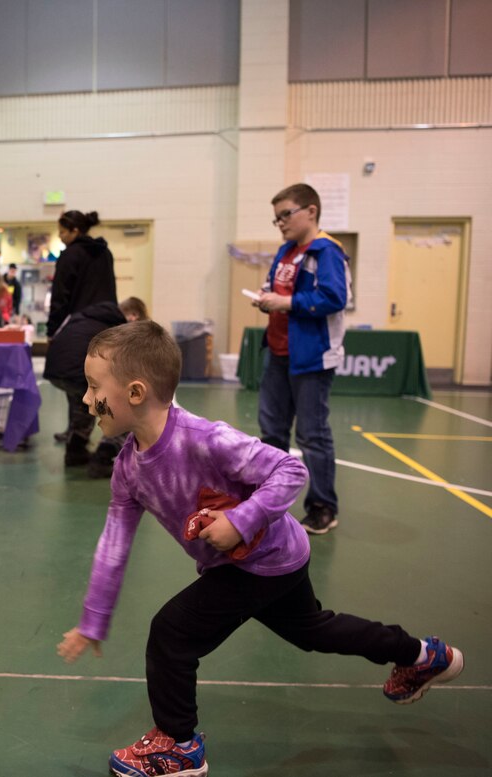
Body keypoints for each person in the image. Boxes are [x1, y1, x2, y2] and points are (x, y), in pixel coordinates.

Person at [57, 321, 461, 777]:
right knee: (315, 631)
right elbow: (114, 544)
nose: (88, 400)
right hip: (271, 561)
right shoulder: (128, 468)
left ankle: (179, 746)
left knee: (172, 633)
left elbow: (289, 470)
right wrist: (93, 619)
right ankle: (423, 655)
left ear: (135, 392)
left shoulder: (204, 438)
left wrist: (240, 520)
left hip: (262, 559)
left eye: (94, 387)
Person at [254, 183, 351, 535]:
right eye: (276, 217)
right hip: (279, 354)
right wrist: (267, 299)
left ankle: (323, 507)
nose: (280, 222)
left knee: (312, 435)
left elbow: (334, 296)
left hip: (311, 358)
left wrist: (286, 303)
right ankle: (271, 502)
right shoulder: (285, 251)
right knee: (272, 433)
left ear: (310, 211)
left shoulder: (327, 252)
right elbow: (277, 289)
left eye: (286, 214)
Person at [44, 297, 149, 476]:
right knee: (128, 402)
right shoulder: (118, 327)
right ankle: (104, 456)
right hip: (77, 371)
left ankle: (75, 450)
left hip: (56, 370)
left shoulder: (88, 314)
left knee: (83, 402)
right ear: (133, 316)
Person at [46, 210, 116, 336]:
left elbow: (60, 296)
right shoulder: (105, 253)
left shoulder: (69, 256)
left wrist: (52, 330)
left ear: (75, 231)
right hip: (107, 324)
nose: (59, 236)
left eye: (62, 232)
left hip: (79, 326)